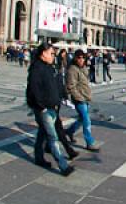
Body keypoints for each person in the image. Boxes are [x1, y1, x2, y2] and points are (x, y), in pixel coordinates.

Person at [26, 43, 75, 176]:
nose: (54, 56)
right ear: (43, 54)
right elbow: (34, 90)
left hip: (52, 107)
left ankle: (39, 158)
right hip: (44, 109)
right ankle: (63, 166)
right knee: (52, 137)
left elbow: (54, 86)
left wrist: (60, 99)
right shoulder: (36, 68)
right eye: (51, 53)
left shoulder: (50, 67)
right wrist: (41, 107)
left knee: (42, 134)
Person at [65, 50, 100, 152]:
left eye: (83, 57)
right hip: (79, 99)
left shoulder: (83, 68)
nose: (81, 60)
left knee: (81, 119)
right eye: (79, 58)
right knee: (86, 120)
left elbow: (85, 83)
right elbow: (71, 87)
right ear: (75, 58)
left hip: (85, 97)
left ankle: (69, 131)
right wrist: (79, 98)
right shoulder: (72, 70)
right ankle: (89, 142)